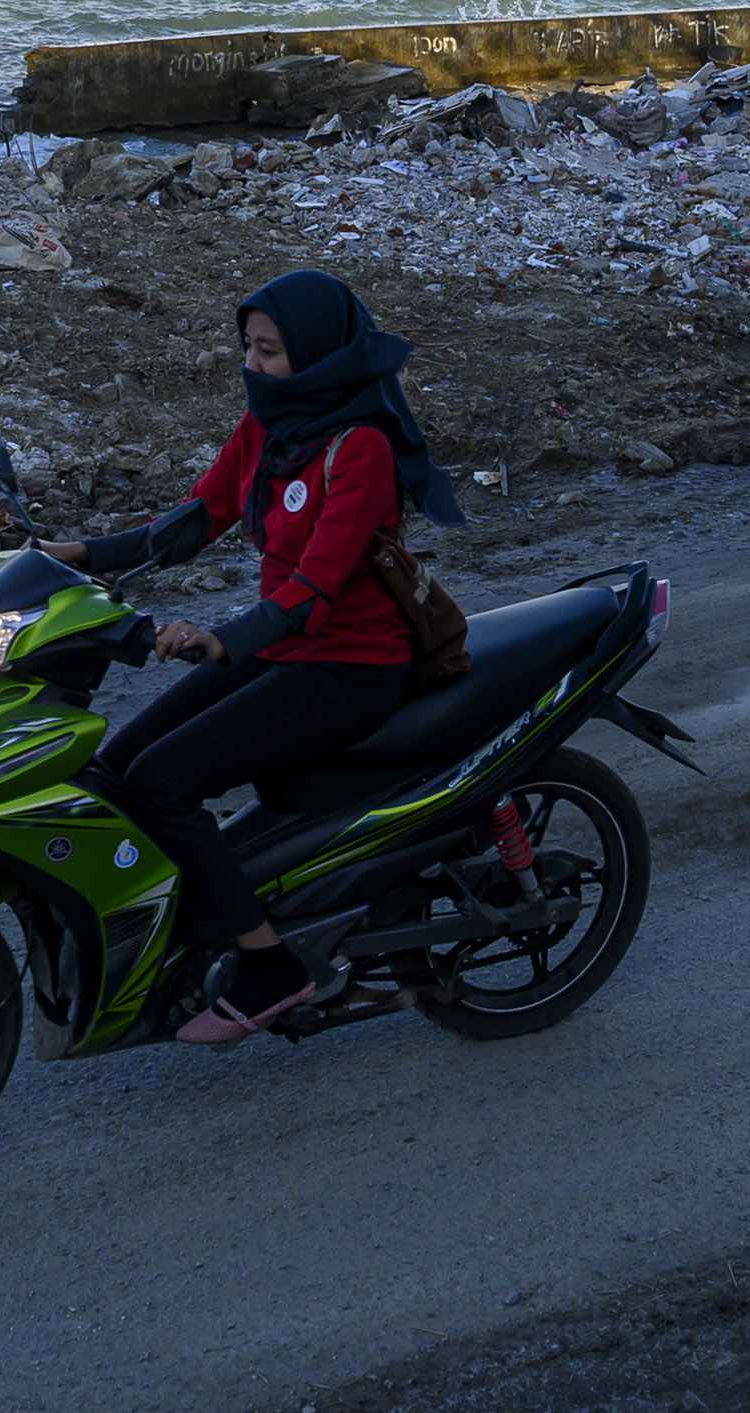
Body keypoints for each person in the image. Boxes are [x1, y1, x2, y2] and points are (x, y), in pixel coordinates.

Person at [40, 268, 468, 1043]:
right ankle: (181, 929)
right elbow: (193, 519)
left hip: (347, 668)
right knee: (108, 770)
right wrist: (64, 555)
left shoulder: (358, 446)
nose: (253, 364)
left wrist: (223, 639)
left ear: (317, 354)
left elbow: (313, 589)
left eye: (270, 351)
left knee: (163, 783)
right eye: (248, 346)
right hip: (279, 650)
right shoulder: (268, 426)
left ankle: (272, 963)